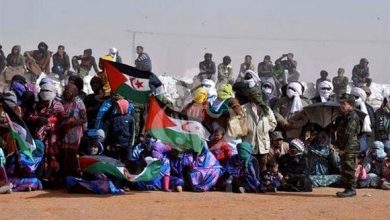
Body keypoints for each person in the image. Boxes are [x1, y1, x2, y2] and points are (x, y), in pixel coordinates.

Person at [28, 82, 65, 186]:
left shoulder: (58, 105)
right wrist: (38, 118)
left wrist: (50, 120)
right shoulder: (37, 105)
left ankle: (54, 179)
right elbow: (30, 116)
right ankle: (42, 177)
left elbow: (62, 119)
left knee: (53, 155)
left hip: (53, 135)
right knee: (40, 154)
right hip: (40, 134)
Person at [242, 88, 277, 172]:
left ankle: (262, 183)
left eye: (259, 94)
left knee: (262, 167)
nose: (257, 96)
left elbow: (273, 123)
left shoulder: (266, 109)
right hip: (249, 144)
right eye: (255, 94)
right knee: (249, 167)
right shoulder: (243, 108)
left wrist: (265, 128)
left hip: (263, 145)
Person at [334, 93, 361, 197]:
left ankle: (351, 189)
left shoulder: (352, 116)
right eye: (340, 103)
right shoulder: (343, 116)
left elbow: (348, 134)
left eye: (343, 103)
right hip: (345, 147)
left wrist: (343, 148)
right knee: (345, 167)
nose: (341, 105)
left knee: (349, 168)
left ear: (350, 104)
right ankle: (348, 188)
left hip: (350, 147)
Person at [60, 84, 87, 177]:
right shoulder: (62, 101)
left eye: (69, 92)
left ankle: (72, 175)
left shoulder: (78, 102)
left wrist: (73, 122)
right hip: (65, 132)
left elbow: (84, 119)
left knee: (73, 154)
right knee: (64, 154)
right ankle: (65, 176)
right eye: (66, 92)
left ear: (74, 93)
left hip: (75, 132)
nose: (67, 94)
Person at [351, 87, 375, 152]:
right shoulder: (349, 107)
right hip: (350, 136)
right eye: (354, 96)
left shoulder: (368, 108)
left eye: (367, 94)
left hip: (362, 136)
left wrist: (361, 126)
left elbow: (372, 123)